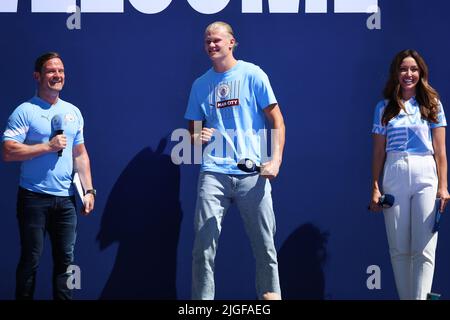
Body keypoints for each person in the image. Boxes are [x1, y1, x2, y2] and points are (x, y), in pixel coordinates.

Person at [185, 21, 285, 300]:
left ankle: (270, 297)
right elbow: (192, 133)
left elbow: (277, 120)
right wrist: (197, 136)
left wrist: (275, 160)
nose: (211, 45)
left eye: (216, 40)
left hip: (252, 173)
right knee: (203, 246)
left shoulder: (253, 74)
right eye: (207, 41)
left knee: (265, 245)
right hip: (213, 173)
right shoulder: (200, 84)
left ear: (232, 43)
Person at [2, 52, 96, 300]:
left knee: (65, 261)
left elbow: (80, 154)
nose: (58, 76)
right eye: (52, 71)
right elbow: (9, 151)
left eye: (61, 71)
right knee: (31, 259)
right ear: (38, 76)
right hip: (33, 198)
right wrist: (47, 146)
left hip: (66, 201)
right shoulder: (25, 111)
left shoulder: (73, 112)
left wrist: (88, 190)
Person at [370, 49, 449, 300]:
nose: (409, 74)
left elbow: (440, 152)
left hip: (426, 173)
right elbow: (378, 152)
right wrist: (375, 186)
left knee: (424, 247)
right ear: (396, 73)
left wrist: (443, 186)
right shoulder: (384, 107)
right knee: (399, 248)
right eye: (404, 69)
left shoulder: (432, 104)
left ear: (421, 73)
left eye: (413, 69)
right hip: (394, 172)